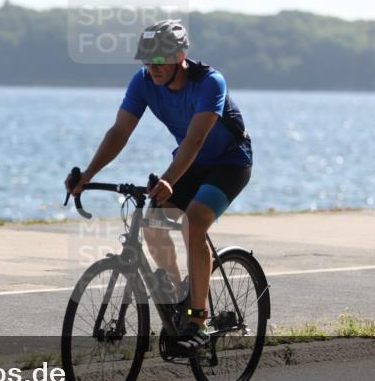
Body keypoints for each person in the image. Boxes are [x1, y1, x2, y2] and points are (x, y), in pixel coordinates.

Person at [65, 19, 252, 352]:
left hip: (229, 163)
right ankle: (182, 293)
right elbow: (119, 132)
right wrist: (88, 175)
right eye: (147, 60)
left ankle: (198, 319)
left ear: (180, 56)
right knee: (152, 224)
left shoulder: (210, 82)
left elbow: (195, 139)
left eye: (160, 59)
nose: (153, 67)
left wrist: (169, 179)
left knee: (194, 222)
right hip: (190, 164)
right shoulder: (143, 82)